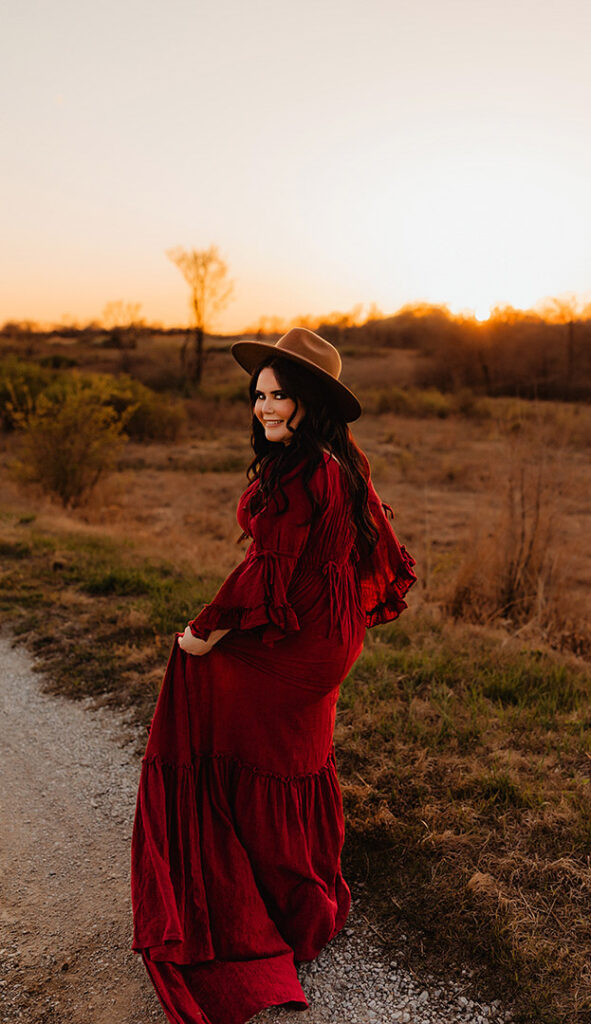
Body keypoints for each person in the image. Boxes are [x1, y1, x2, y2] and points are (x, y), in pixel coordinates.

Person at [130, 328, 417, 1024]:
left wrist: (204, 630)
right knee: (290, 755)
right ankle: (295, 894)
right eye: (259, 395)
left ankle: (251, 898)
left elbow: (270, 571)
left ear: (307, 401)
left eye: (279, 394)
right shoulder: (332, 462)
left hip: (307, 639)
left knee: (199, 686)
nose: (264, 407)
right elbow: (350, 553)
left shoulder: (308, 469)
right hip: (325, 632)